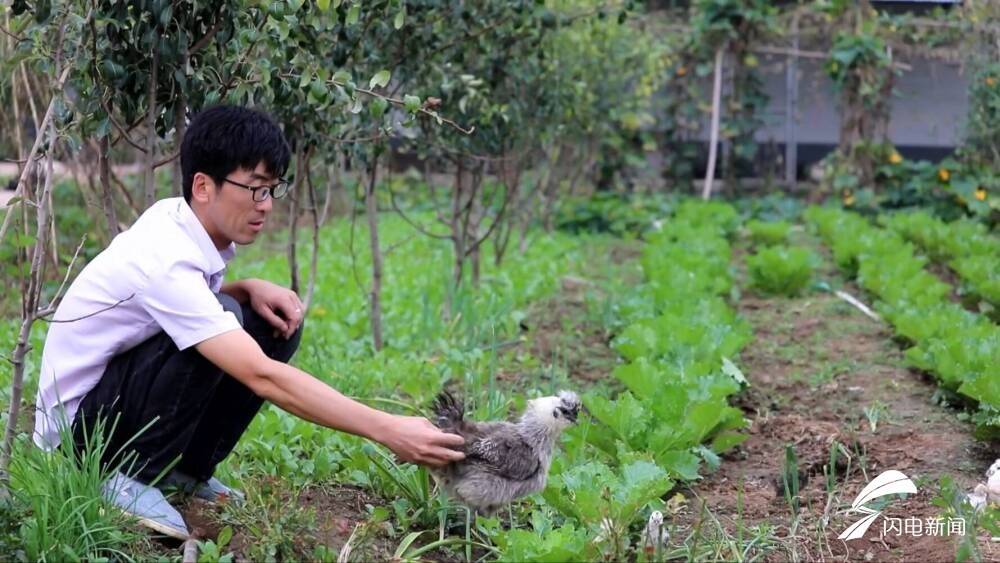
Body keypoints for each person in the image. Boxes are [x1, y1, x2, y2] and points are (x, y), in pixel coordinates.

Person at [32, 105, 465, 540]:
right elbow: (261, 375)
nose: (268, 206)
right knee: (226, 324)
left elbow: (169, 311)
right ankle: (124, 475)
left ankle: (185, 470)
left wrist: (244, 287)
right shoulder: (163, 255)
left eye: (273, 189)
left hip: (109, 402)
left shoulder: (178, 221)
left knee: (259, 319)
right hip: (77, 440)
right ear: (203, 186)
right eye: (255, 189)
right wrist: (387, 428)